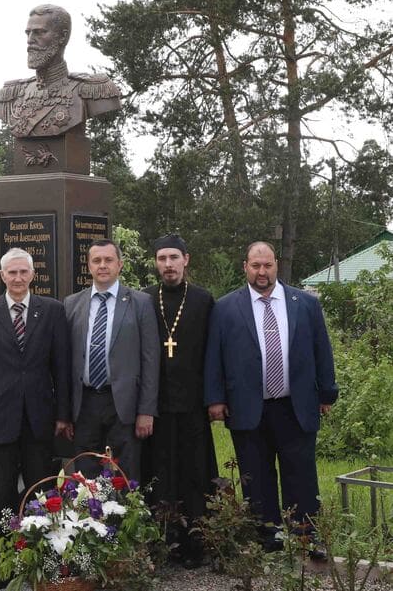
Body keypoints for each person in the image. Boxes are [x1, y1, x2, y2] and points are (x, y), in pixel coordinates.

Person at [204, 242, 337, 554]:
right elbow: (214, 358)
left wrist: (327, 392)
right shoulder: (225, 308)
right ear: (245, 267)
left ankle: (306, 536)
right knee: (257, 475)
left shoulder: (305, 303)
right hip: (248, 407)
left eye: (267, 266)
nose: (261, 272)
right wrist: (215, 399)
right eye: (255, 266)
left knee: (301, 473)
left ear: (275, 265)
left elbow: (322, 350)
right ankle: (267, 537)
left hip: (296, 405)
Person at [0, 248, 71, 529]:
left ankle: (38, 555)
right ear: (2, 275)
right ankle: (4, 556)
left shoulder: (52, 311)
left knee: (40, 491)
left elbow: (61, 368)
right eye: (12, 272)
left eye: (23, 272)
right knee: (4, 492)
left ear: (33, 275)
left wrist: (63, 415)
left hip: (39, 417)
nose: (17, 278)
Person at [143, 234, 218, 568]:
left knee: (194, 474)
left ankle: (197, 543)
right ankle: (163, 543)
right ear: (155, 262)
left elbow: (214, 355)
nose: (168, 264)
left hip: (192, 406)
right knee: (160, 473)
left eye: (174, 257)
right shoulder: (145, 299)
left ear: (186, 259)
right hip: (156, 407)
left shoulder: (203, 301)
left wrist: (214, 399)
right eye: (162, 258)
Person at [64, 239, 159, 481]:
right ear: (89, 266)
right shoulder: (72, 304)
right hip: (85, 404)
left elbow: (150, 359)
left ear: (120, 265)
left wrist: (146, 410)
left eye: (108, 260)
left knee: (124, 477)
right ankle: (89, 519)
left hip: (123, 405)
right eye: (97, 260)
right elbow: (65, 363)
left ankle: (126, 519)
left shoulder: (140, 303)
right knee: (85, 478)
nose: (102, 265)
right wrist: (65, 412)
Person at [0, 4, 121, 138]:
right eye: (28, 33)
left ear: (62, 37)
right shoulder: (12, 95)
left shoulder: (91, 89)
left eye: (39, 32)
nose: (30, 40)